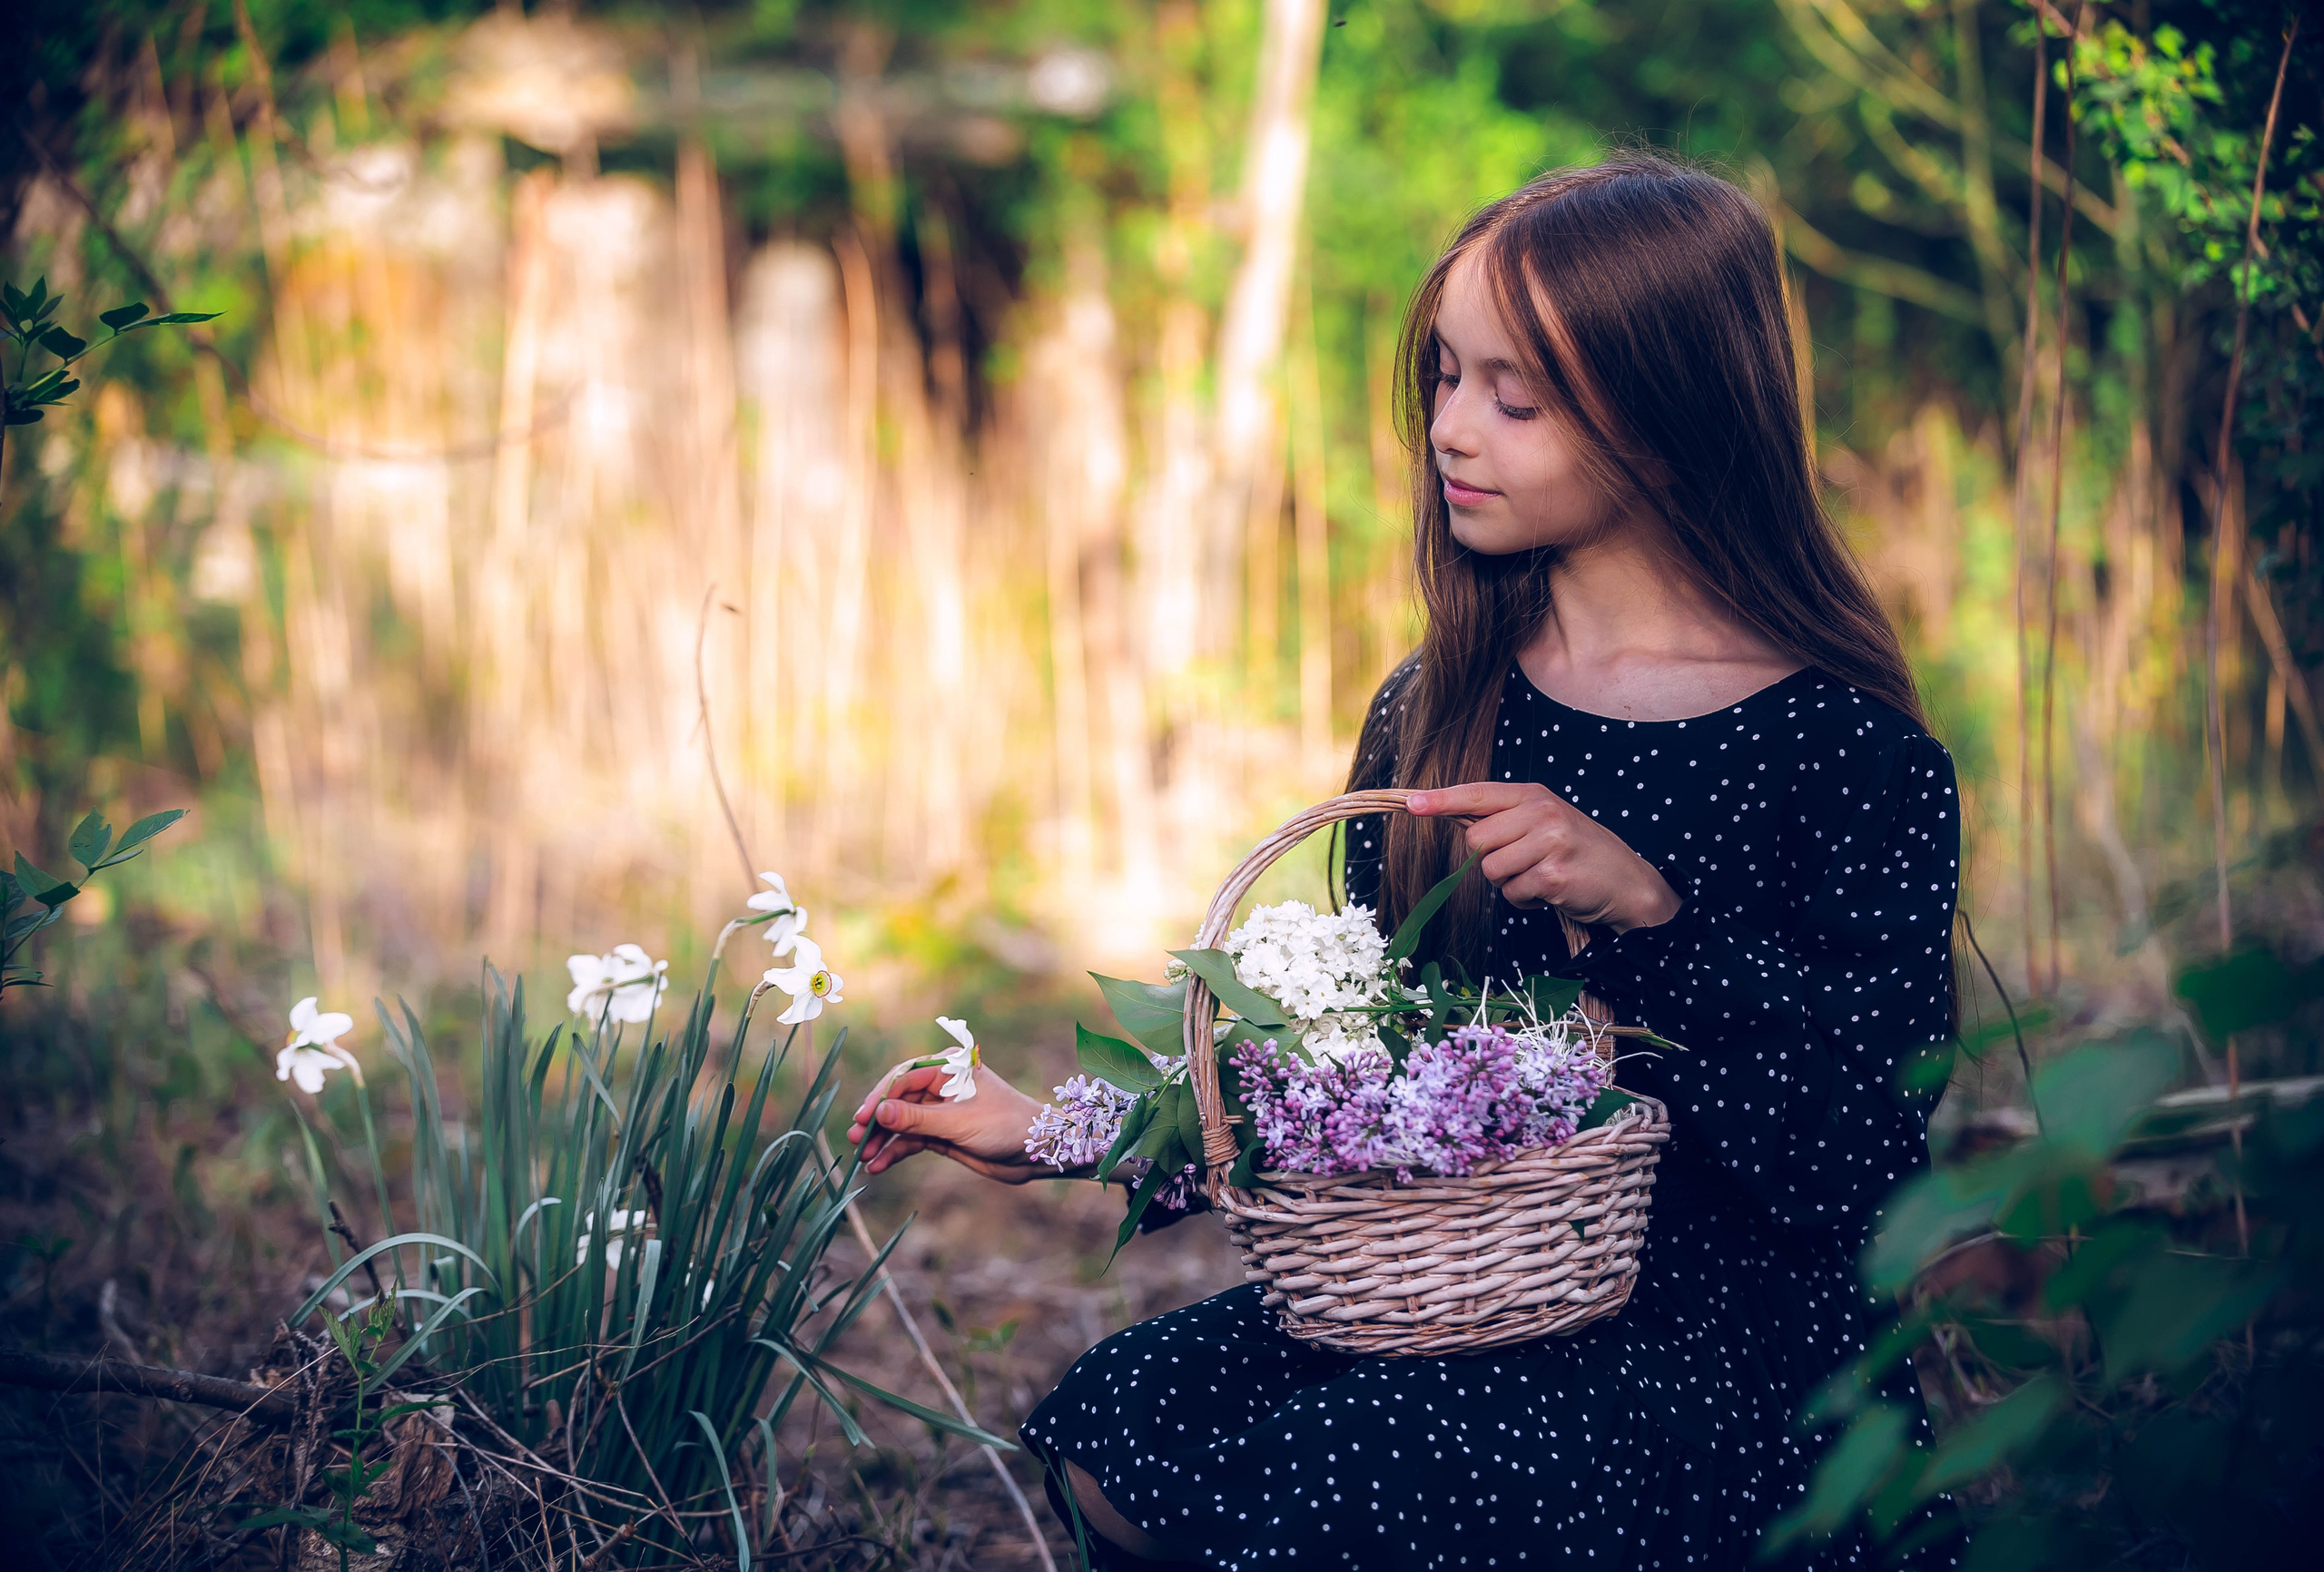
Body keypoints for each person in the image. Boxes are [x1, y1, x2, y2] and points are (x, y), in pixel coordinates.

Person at [846, 151, 1958, 1570]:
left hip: (1734, 1349)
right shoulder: (1443, 700)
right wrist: (1060, 1132)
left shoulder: (1844, 752)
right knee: (1119, 1426)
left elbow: (1863, 1164)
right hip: (1461, 1297)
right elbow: (1364, 1082)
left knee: (1334, 1484)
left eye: (1517, 394)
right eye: (1444, 374)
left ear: (1673, 424)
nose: (1451, 427)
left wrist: (1650, 918)